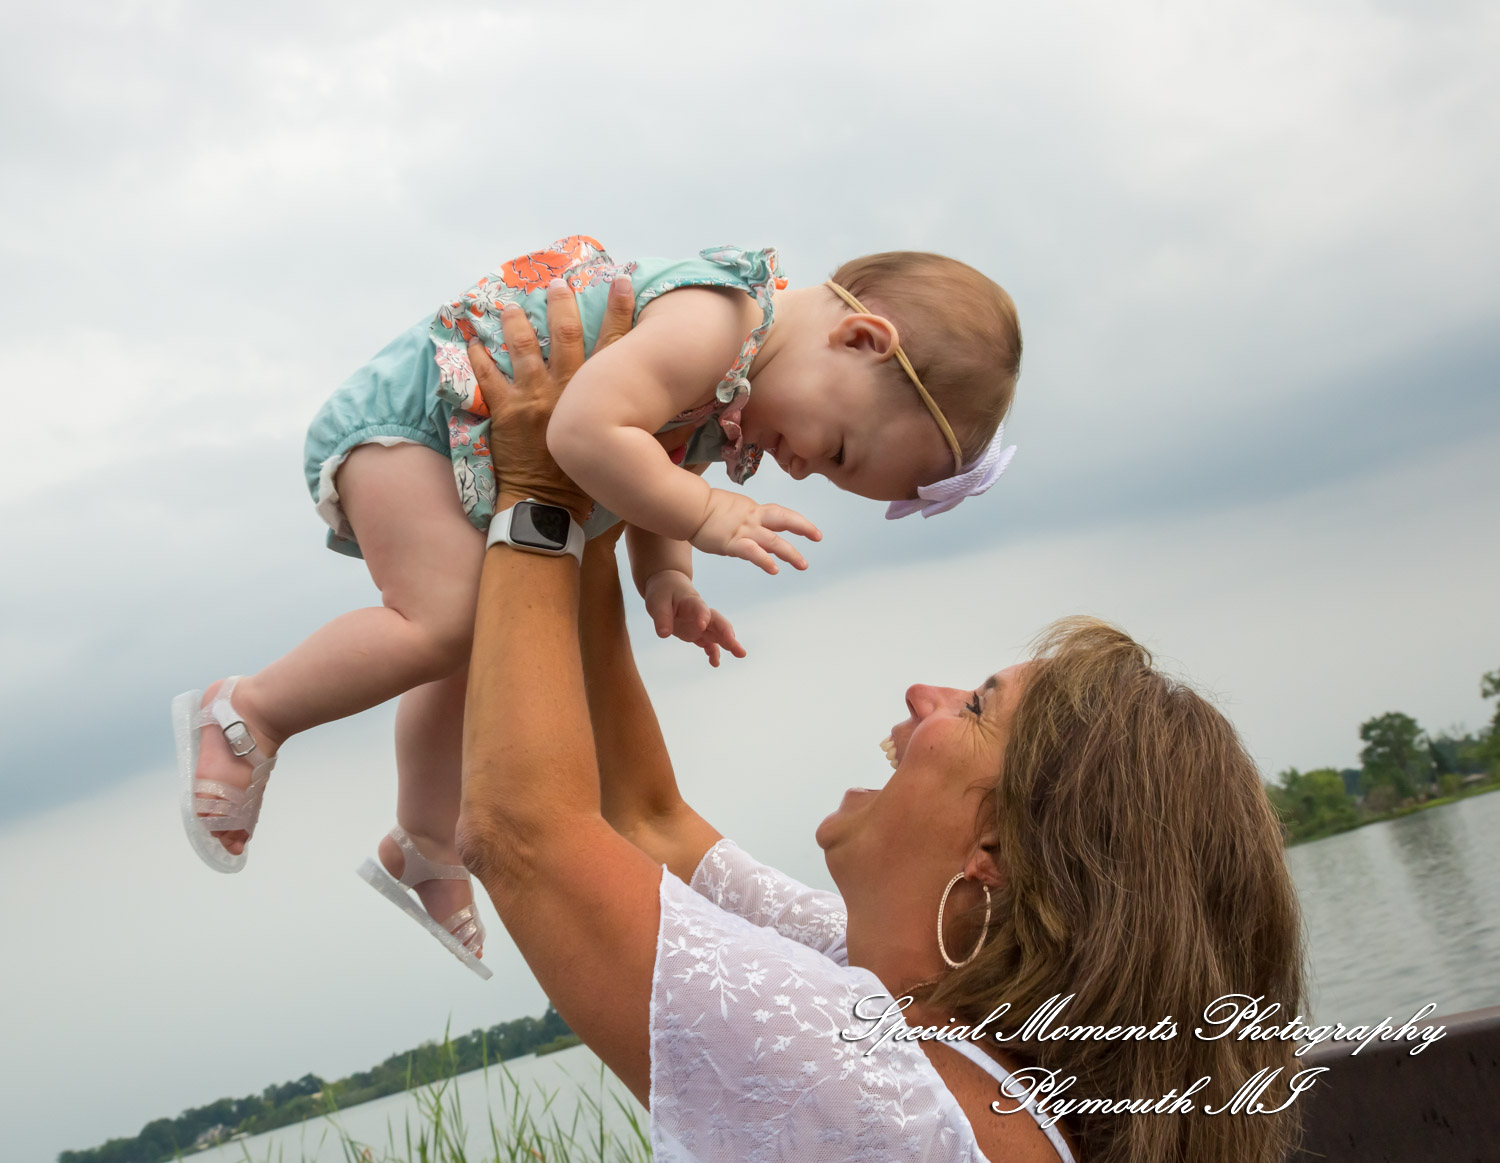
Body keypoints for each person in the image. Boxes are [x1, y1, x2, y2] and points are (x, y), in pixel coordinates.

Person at [454, 285, 1307, 1163]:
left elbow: (524, 834)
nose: (920, 693)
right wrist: (597, 505)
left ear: (997, 850)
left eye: (975, 707)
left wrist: (536, 492)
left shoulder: (894, 1102)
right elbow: (649, 823)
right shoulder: (905, 994)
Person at [171, 236, 1021, 977]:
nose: (804, 470)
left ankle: (424, 844)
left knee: (484, 644)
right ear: (861, 338)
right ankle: (249, 712)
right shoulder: (714, 321)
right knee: (448, 622)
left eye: (829, 472)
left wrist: (667, 576)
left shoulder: (735, 387)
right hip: (415, 425)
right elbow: (584, 431)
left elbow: (661, 465)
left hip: (473, 449)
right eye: (835, 450)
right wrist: (708, 515)